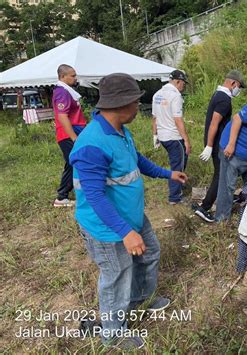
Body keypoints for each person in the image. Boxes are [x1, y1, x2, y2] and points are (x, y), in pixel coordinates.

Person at [69, 73, 187, 350]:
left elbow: (136, 161)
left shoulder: (120, 130)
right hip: (108, 227)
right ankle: (112, 333)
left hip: (131, 217)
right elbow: (95, 197)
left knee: (150, 255)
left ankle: (140, 301)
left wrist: (167, 173)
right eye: (135, 102)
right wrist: (125, 232)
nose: (138, 108)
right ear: (122, 104)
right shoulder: (91, 145)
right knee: (116, 277)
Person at [194, 70, 246, 222]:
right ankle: (205, 208)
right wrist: (210, 146)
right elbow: (214, 123)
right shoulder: (224, 99)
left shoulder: (218, 94)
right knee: (221, 175)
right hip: (217, 143)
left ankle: (206, 205)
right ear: (233, 83)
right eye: (239, 87)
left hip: (214, 141)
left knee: (220, 174)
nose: (239, 90)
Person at [152, 69, 191, 204]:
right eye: (183, 84)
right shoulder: (175, 96)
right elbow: (178, 119)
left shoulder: (157, 94)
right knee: (177, 165)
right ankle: (175, 197)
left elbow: (154, 117)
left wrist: (155, 135)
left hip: (163, 136)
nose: (183, 87)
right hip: (174, 137)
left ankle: (179, 184)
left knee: (178, 161)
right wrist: (186, 140)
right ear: (178, 81)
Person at [52, 64, 87, 207]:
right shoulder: (62, 92)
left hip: (74, 131)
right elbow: (62, 116)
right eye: (72, 76)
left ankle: (63, 195)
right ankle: (62, 196)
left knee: (72, 163)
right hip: (68, 134)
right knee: (75, 162)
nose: (75, 78)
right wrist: (74, 137)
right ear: (62, 77)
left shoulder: (67, 91)